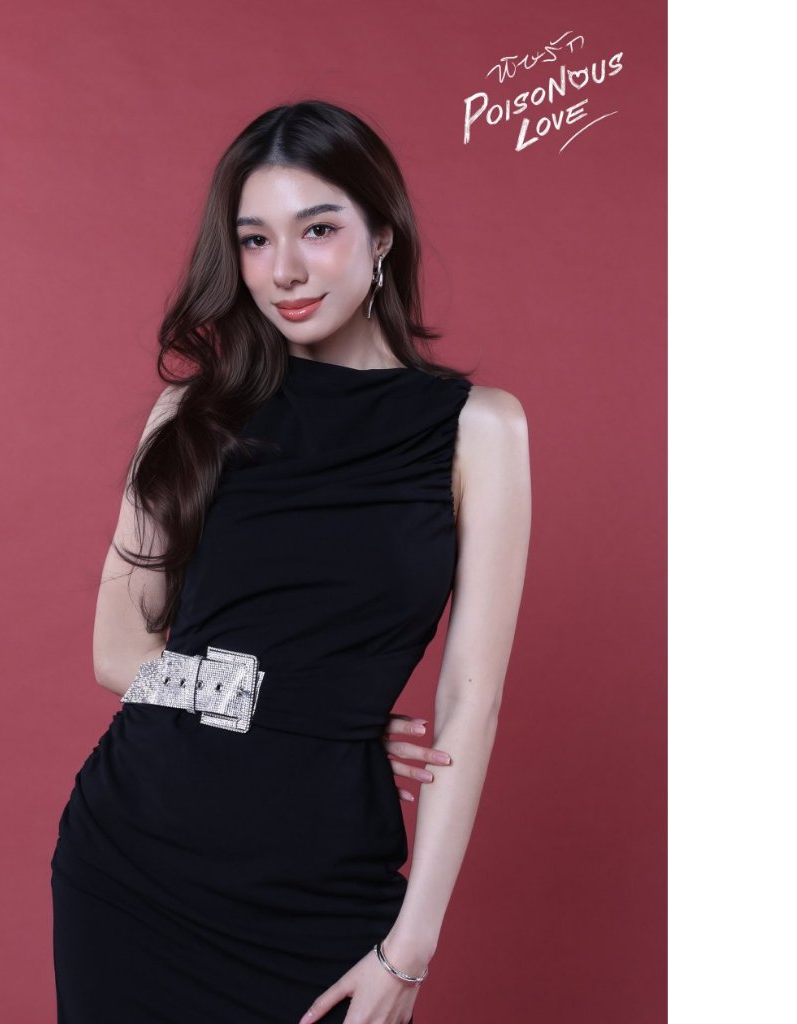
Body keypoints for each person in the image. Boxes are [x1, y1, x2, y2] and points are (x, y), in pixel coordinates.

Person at [50, 98, 531, 1024]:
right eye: (255, 240)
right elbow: (117, 652)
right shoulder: (191, 416)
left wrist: (408, 949)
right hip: (133, 866)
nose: (286, 271)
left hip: (325, 886)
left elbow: (471, 703)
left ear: (381, 234)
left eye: (318, 229)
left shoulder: (480, 430)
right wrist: (302, 710)